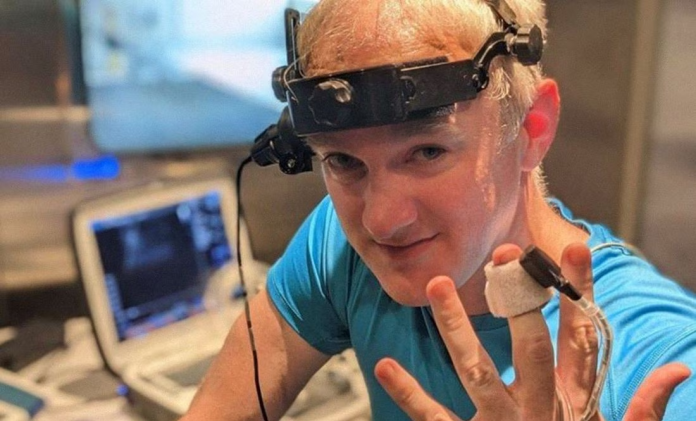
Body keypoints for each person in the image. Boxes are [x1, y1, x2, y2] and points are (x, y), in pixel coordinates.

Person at [182, 0, 696, 419]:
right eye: (343, 161)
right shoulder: (338, 245)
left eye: (427, 152)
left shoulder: (656, 356)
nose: (381, 222)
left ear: (531, 127)